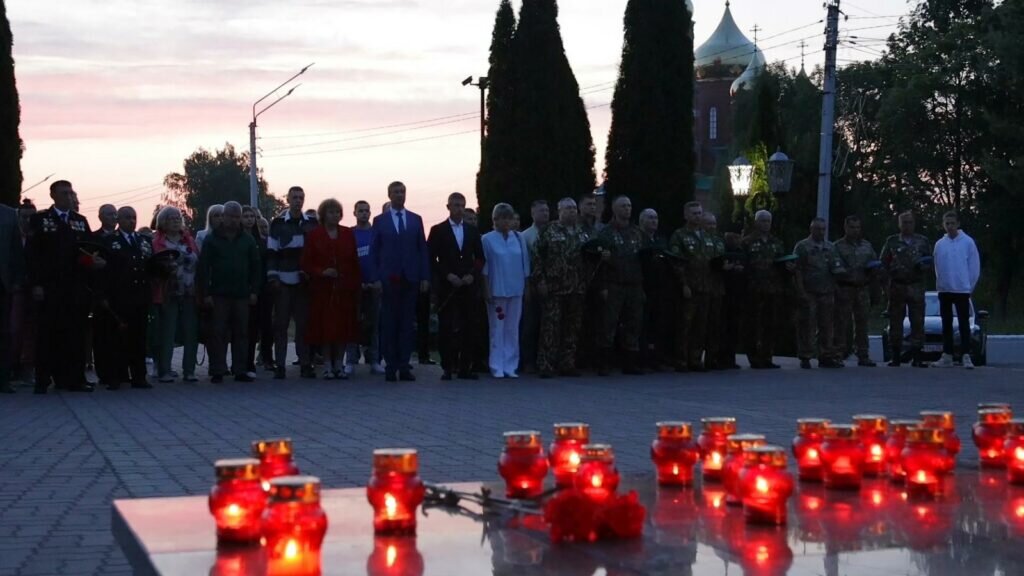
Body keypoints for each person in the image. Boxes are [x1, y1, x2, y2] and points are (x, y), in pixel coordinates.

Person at [27, 180, 105, 393]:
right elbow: (32, 256)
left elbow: (89, 251)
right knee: (47, 334)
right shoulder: (40, 219)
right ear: (53, 196)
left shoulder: (79, 221)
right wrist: (36, 284)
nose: (69, 197)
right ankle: (42, 380)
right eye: (64, 193)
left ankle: (73, 379)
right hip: (49, 288)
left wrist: (94, 263)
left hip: (75, 288)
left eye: (71, 193)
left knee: (74, 335)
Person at [370, 181, 431, 382]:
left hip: (410, 278)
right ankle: (391, 366)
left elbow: (422, 249)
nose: (399, 195)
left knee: (407, 324)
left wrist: (424, 276)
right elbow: (374, 251)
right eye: (396, 192)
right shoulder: (380, 220)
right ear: (389, 194)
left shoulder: (415, 219)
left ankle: (404, 365)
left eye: (402, 191)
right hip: (389, 279)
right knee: (389, 324)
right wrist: (376, 278)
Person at [196, 202, 261, 383]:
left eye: (236, 216)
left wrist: (254, 291)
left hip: (242, 294)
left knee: (241, 332)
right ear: (223, 217)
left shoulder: (248, 240)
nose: (233, 219)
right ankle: (218, 369)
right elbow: (203, 268)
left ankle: (239, 369)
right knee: (218, 332)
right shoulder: (211, 239)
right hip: (219, 294)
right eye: (230, 216)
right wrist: (206, 294)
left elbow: (256, 267)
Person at [301, 199, 361, 379]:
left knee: (343, 327)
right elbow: (306, 262)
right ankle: (327, 364)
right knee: (326, 327)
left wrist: (354, 282)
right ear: (323, 214)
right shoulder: (315, 235)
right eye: (331, 212)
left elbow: (354, 260)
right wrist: (321, 272)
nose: (335, 215)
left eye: (337, 212)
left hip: (344, 288)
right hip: (323, 289)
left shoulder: (347, 233)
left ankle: (339, 364)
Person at [428, 192, 484, 381]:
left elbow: (480, 258)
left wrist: (472, 275)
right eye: (455, 205)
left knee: (469, 326)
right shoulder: (438, 230)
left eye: (462, 205)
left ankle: (465, 367)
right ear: (448, 207)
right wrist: (447, 275)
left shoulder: (472, 231)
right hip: (448, 287)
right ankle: (447, 366)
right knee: (446, 327)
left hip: (467, 286)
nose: (459, 209)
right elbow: (431, 258)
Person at [97, 207, 154, 389]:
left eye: (134, 217)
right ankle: (115, 376)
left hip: (140, 296)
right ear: (118, 220)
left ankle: (139, 376)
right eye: (127, 217)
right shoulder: (109, 241)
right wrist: (103, 295)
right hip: (118, 297)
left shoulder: (144, 241)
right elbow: (103, 273)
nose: (132, 221)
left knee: (139, 337)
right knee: (116, 339)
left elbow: (151, 266)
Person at [267, 186, 319, 379]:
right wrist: (272, 277)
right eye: (294, 197)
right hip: (282, 281)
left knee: (303, 325)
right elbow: (271, 252)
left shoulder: (312, 224)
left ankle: (305, 363)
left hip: (303, 282)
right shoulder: (278, 223)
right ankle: (280, 364)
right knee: (280, 325)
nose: (298, 200)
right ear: (287, 199)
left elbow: (316, 253)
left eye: (301, 197)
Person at [534, 198, 587, 378]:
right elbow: (537, 257)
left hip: (577, 287)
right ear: (559, 211)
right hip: (554, 287)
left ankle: (567, 363)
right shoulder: (549, 230)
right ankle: (545, 364)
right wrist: (540, 280)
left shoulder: (582, 232)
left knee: (573, 327)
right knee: (550, 327)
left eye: (574, 208)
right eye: (568, 208)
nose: (572, 211)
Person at [597, 196, 646, 376]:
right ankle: (604, 363)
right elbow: (600, 263)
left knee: (634, 323)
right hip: (613, 284)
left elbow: (643, 259)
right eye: (623, 206)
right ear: (614, 209)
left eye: (629, 205)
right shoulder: (606, 233)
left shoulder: (636, 232)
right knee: (608, 324)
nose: (627, 209)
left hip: (634, 284)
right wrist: (603, 286)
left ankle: (630, 362)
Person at [481, 203, 529, 379]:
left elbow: (526, 265)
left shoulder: (518, 237)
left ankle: (511, 365)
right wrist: (486, 290)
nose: (507, 222)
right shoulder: (487, 239)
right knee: (497, 328)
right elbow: (484, 268)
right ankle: (496, 365)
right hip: (497, 290)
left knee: (512, 328)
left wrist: (527, 287)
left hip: (516, 289)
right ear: (495, 220)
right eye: (503, 218)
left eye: (509, 218)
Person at [152, 207, 200, 383]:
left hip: (189, 291)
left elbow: (197, 261)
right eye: (171, 218)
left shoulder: (189, 240)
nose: (175, 221)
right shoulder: (157, 241)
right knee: (167, 332)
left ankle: (189, 370)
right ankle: (164, 370)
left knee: (190, 331)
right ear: (163, 221)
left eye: (178, 218)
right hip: (168, 292)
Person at [880, 211, 932, 368]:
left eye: (909, 222)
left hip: (915, 285)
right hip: (897, 285)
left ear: (914, 224)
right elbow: (883, 262)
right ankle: (895, 355)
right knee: (895, 321)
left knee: (918, 321)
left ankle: (917, 356)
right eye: (904, 223)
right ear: (899, 224)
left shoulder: (922, 241)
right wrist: (885, 285)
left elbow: (930, 261)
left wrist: (924, 266)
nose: (907, 226)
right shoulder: (892, 241)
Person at [793, 218, 845, 369]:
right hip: (809, 292)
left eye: (823, 229)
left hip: (827, 292)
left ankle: (826, 355)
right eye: (818, 229)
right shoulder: (802, 246)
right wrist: (800, 290)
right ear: (811, 229)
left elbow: (836, 267)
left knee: (827, 325)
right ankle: (805, 356)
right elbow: (797, 270)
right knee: (807, 325)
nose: (821, 232)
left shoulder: (830, 247)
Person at [741, 210, 790, 370]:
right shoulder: (747, 242)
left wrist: (789, 267)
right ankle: (754, 357)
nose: (765, 224)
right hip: (753, 288)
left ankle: (767, 356)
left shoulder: (776, 242)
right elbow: (743, 264)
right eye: (762, 221)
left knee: (770, 324)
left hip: (772, 289)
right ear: (756, 222)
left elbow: (781, 263)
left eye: (768, 221)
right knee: (753, 323)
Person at [931, 211, 981, 369]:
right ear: (943, 225)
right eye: (947, 223)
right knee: (946, 323)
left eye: (952, 223)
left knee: (964, 323)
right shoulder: (940, 244)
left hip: (962, 290)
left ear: (958, 224)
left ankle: (966, 355)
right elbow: (937, 266)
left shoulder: (967, 242)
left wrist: (968, 286)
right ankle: (947, 355)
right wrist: (941, 285)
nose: (950, 226)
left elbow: (974, 267)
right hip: (945, 290)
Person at [670, 201, 713, 372]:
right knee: (685, 325)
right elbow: (676, 262)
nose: (697, 216)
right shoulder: (679, 236)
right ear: (686, 215)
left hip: (705, 286)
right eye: (694, 213)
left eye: (699, 213)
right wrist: (683, 284)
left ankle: (696, 359)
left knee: (701, 326)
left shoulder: (707, 236)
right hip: (689, 287)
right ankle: (681, 360)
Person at [834, 215, 878, 367]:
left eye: (857, 227)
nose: (855, 230)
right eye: (852, 227)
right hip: (845, 288)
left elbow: (874, 262)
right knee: (841, 323)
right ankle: (838, 354)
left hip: (862, 288)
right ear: (845, 228)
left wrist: (873, 271)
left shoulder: (866, 246)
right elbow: (834, 267)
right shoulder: (838, 246)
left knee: (863, 323)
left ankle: (863, 355)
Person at [345, 201, 383, 375]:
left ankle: (374, 359)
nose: (364, 214)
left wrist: (378, 280)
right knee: (353, 323)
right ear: (354, 213)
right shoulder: (349, 234)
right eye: (360, 211)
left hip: (374, 285)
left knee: (374, 324)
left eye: (366, 211)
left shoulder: (376, 234)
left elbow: (383, 259)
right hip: (355, 286)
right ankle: (351, 359)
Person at [519, 200, 550, 373]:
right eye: (541, 211)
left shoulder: (554, 232)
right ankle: (528, 361)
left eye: (546, 210)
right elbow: (525, 263)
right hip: (532, 284)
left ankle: (545, 359)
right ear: (533, 213)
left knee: (548, 325)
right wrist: (528, 286)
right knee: (530, 324)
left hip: (552, 284)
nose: (545, 213)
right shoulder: (525, 236)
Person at [91, 204, 121, 385]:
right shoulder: (94, 238)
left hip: (121, 292)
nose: (113, 217)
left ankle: (119, 370)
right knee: (101, 334)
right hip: (100, 290)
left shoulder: (123, 238)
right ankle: (103, 372)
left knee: (119, 334)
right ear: (100, 216)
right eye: (109, 214)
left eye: (115, 214)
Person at [638, 208, 670, 371]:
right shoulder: (637, 239)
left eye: (656, 218)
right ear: (642, 221)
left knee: (658, 324)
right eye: (650, 218)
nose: (653, 221)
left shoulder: (660, 240)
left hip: (660, 287)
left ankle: (656, 358)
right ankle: (642, 358)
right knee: (642, 324)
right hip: (642, 285)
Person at [9, 200, 36, 387]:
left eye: (31, 217)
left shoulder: (39, 238)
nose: (27, 221)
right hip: (16, 290)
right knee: (14, 330)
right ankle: (12, 367)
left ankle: (28, 368)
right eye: (24, 217)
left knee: (32, 331)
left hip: (35, 289)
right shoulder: (13, 238)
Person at [0, 203, 25, 393]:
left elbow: (17, 251)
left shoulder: (9, 215)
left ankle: (2, 380)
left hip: (3, 283)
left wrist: (16, 279)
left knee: (4, 333)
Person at [702, 213, 728, 370]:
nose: (712, 227)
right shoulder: (700, 240)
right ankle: (694, 357)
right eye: (708, 224)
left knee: (715, 324)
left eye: (714, 224)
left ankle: (712, 358)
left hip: (717, 287)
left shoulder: (719, 241)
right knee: (700, 324)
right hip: (702, 285)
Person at [718, 232, 746, 369]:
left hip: (738, 294)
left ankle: (730, 357)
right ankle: (719, 358)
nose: (736, 240)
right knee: (722, 327)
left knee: (734, 327)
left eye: (737, 237)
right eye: (732, 238)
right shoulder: (721, 251)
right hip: (723, 293)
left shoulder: (742, 253)